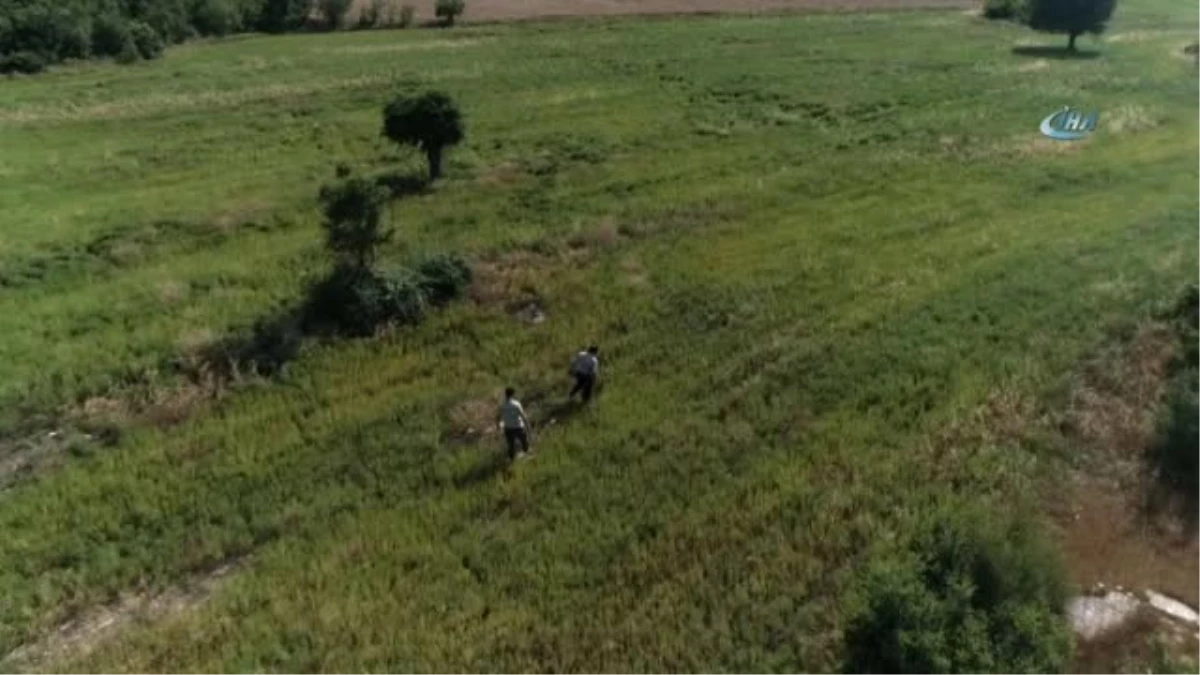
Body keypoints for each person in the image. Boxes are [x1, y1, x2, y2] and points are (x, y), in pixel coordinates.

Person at [497, 387, 531, 460]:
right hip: (518, 426)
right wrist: (528, 426)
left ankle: (512, 459)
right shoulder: (516, 404)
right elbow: (523, 415)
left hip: (508, 427)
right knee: (524, 442)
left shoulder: (502, 405)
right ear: (513, 394)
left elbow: (499, 417)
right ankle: (527, 455)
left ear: (505, 394)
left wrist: (499, 426)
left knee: (511, 445)